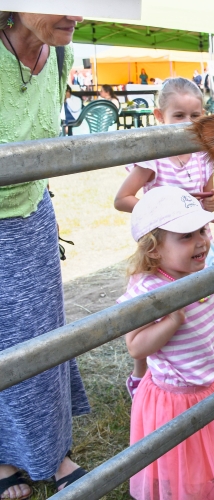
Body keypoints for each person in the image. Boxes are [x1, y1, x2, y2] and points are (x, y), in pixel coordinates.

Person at [0, 10, 90, 500]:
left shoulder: (58, 50)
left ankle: (54, 450)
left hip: (33, 212)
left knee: (44, 331)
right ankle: (4, 457)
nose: (75, 11)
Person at [119, 186, 214, 500]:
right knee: (182, 459)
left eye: (202, 230)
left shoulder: (199, 273)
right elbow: (136, 346)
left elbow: (212, 308)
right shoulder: (149, 289)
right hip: (174, 398)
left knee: (212, 452)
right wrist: (171, 320)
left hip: (209, 383)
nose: (201, 242)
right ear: (153, 249)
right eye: (186, 236)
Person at [114, 76, 214, 399]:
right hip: (164, 247)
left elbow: (209, 194)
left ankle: (195, 363)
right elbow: (123, 199)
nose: (188, 123)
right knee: (153, 311)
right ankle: (142, 377)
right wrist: (163, 211)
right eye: (179, 115)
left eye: (196, 115)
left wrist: (211, 202)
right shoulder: (155, 156)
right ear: (159, 117)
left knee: (199, 305)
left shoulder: (203, 153)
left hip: (196, 242)